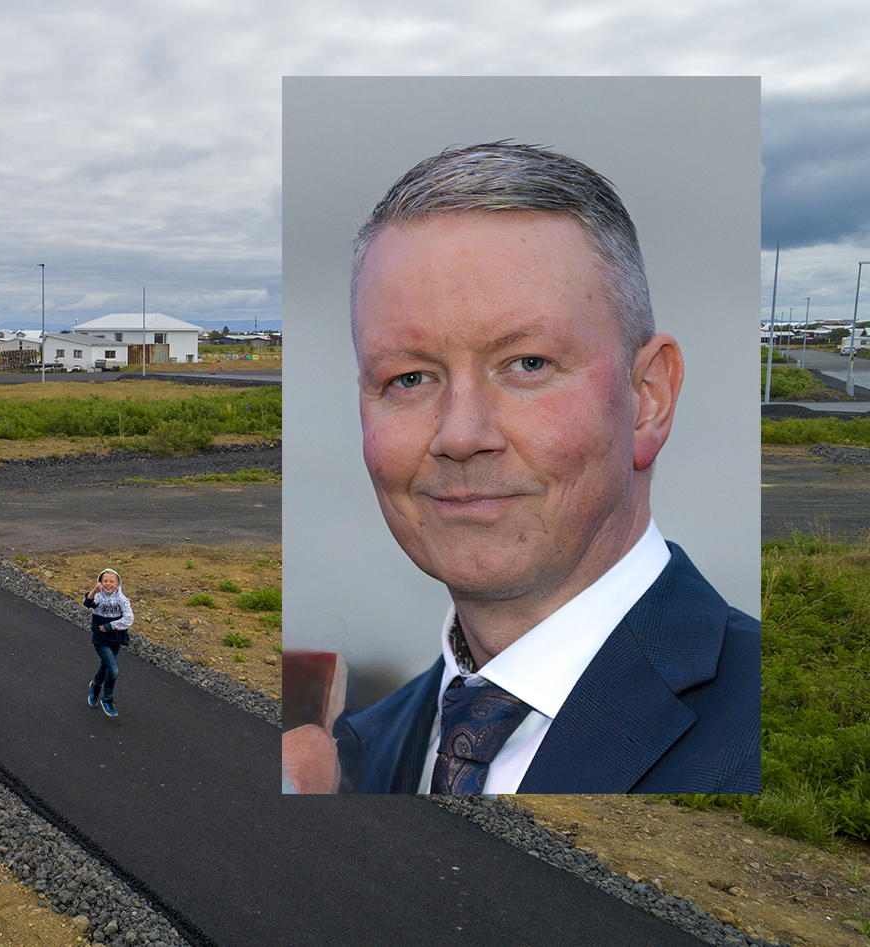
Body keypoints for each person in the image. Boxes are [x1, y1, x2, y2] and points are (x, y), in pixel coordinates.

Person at [282, 142, 758, 795]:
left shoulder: (758, 731)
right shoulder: (365, 746)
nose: (460, 435)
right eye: (410, 376)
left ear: (649, 397)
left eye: (527, 364)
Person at [84, 569, 133, 718]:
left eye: (112, 581)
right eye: (105, 581)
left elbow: (129, 618)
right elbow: (88, 602)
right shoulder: (99, 597)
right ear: (100, 582)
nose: (108, 584)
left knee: (105, 666)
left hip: (116, 640)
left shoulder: (123, 600)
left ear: (118, 584)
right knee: (114, 670)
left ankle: (95, 686)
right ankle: (108, 698)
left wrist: (110, 626)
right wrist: (93, 591)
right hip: (100, 640)